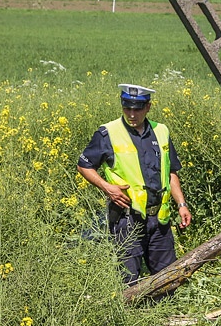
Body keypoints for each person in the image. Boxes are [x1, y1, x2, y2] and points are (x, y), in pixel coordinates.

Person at [77, 84, 191, 286]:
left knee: (167, 279)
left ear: (148, 107)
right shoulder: (108, 133)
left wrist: (181, 204)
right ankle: (131, 316)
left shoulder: (161, 131)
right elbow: (84, 165)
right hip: (127, 219)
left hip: (160, 219)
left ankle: (163, 316)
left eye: (137, 108)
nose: (131, 114)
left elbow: (171, 171)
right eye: (126, 107)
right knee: (128, 280)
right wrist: (107, 188)